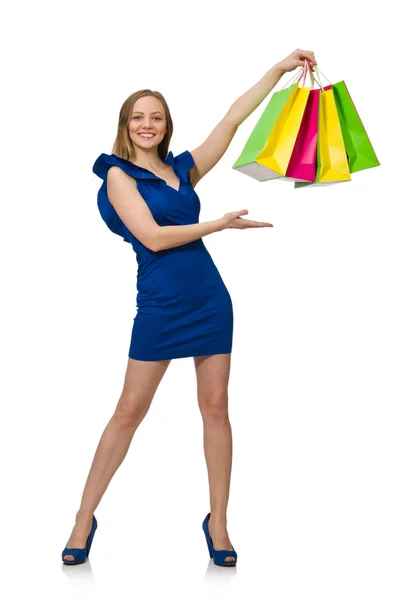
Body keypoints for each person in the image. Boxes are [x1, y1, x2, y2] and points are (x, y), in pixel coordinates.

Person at [62, 48, 317, 567]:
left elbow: (231, 119)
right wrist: (217, 225)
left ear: (166, 124)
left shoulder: (184, 170)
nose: (147, 124)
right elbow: (154, 238)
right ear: (125, 125)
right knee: (129, 412)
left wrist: (278, 70)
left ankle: (218, 523)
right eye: (138, 117)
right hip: (160, 302)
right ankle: (82, 518)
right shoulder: (118, 175)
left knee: (216, 408)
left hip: (208, 299)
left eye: (156, 117)